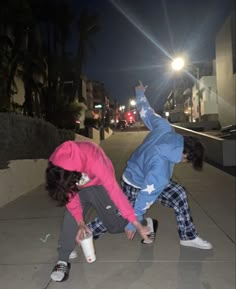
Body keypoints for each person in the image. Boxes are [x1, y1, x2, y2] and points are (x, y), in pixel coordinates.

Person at [86, 80, 213, 250]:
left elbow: (147, 113)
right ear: (185, 153)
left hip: (143, 175)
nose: (184, 163)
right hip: (134, 182)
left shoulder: (165, 127)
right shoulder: (160, 170)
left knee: (179, 195)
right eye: (187, 160)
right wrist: (133, 223)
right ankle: (84, 235)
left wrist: (140, 94)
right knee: (119, 215)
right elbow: (145, 197)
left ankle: (188, 236)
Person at [46, 140, 156, 282]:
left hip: (99, 185)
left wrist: (136, 224)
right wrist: (80, 222)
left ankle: (145, 222)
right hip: (77, 185)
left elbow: (115, 192)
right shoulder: (57, 166)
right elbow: (69, 194)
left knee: (115, 226)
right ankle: (62, 259)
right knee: (71, 217)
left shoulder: (95, 160)